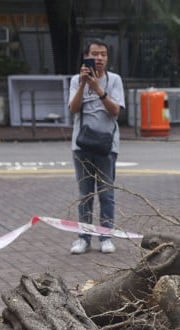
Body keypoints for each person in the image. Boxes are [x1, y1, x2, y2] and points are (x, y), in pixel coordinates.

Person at [68, 39, 124, 254]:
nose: (99, 58)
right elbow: (73, 108)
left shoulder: (114, 80)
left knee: (106, 194)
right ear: (86, 57)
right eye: (94, 54)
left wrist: (97, 87)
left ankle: (106, 237)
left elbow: (115, 111)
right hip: (82, 145)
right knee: (85, 194)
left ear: (107, 58)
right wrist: (83, 84)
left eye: (103, 54)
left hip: (107, 146)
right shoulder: (76, 80)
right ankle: (83, 238)